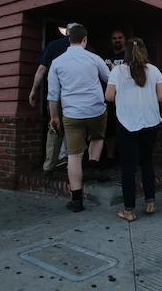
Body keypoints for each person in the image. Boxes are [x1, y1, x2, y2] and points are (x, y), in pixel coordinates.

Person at [47, 24, 111, 212]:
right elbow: (109, 80)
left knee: (74, 156)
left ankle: (76, 200)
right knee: (98, 137)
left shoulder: (57, 62)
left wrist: (54, 117)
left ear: (69, 39)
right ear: (85, 40)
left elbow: (53, 94)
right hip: (96, 110)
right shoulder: (94, 58)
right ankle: (92, 165)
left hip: (72, 114)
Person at [105, 37, 162, 222]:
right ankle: (150, 202)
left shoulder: (118, 71)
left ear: (126, 53)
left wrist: (124, 98)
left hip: (127, 123)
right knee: (147, 162)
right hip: (151, 122)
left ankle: (129, 210)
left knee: (128, 167)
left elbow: (108, 96)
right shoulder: (155, 70)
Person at [29, 23, 79, 172]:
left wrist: (34, 90)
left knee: (54, 128)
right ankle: (68, 160)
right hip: (74, 96)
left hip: (54, 97)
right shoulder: (84, 48)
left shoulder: (53, 45)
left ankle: (49, 165)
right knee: (73, 128)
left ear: (67, 33)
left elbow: (41, 69)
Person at [102, 28, 127, 168]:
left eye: (119, 38)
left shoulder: (128, 56)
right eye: (114, 38)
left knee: (123, 127)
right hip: (109, 98)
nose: (117, 40)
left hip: (124, 98)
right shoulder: (105, 56)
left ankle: (125, 156)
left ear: (124, 39)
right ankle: (110, 157)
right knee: (109, 128)